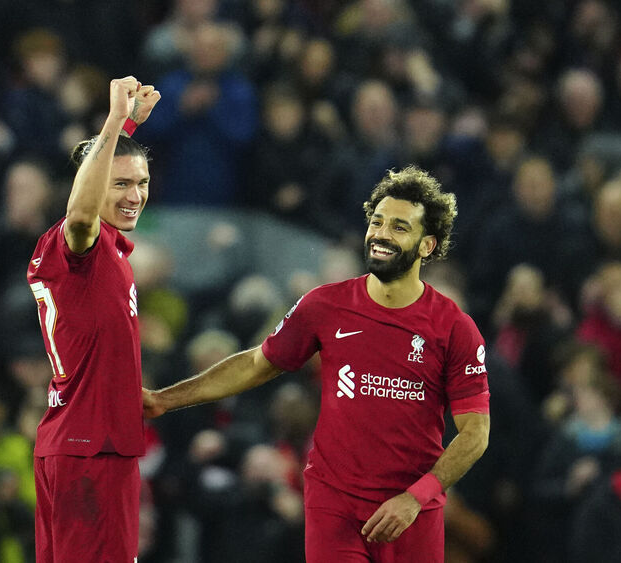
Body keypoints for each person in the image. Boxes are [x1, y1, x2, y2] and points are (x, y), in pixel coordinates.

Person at [144, 166, 491, 563]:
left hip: (411, 512)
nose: (380, 234)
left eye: (398, 227)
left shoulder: (454, 328)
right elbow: (257, 363)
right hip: (335, 504)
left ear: (427, 245)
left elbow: (475, 434)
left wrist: (418, 497)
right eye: (376, 222)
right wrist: (165, 399)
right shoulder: (325, 305)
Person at [26, 75, 160, 563]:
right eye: (120, 183)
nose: (134, 195)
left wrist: (123, 125)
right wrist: (112, 120)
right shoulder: (81, 244)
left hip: (76, 442)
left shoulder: (111, 253)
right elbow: (81, 216)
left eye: (142, 183)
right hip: (91, 450)